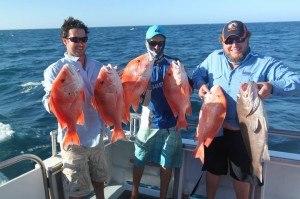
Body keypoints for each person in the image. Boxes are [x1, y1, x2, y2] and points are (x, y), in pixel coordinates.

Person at [191, 20, 300, 199]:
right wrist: (201, 84)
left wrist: (271, 86)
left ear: (247, 39)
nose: (234, 45)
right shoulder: (213, 58)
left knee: (241, 177)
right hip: (214, 130)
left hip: (245, 134)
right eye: (229, 41)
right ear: (222, 42)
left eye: (239, 39)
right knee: (212, 171)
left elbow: (296, 81)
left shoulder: (264, 63)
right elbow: (197, 74)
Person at [42, 17, 109, 199]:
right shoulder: (55, 70)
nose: (80, 43)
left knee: (99, 179)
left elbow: (106, 95)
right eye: (75, 39)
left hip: (97, 134)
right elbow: (48, 101)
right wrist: (53, 102)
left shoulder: (98, 66)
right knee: (77, 188)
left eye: (83, 39)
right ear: (65, 40)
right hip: (73, 140)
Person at [130, 25, 185, 199]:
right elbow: (137, 100)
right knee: (139, 158)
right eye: (153, 43)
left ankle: (163, 197)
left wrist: (184, 79)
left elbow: (186, 89)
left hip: (172, 122)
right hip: (149, 120)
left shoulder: (173, 63)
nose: (157, 47)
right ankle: (134, 193)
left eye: (161, 43)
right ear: (146, 42)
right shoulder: (139, 65)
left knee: (166, 163)